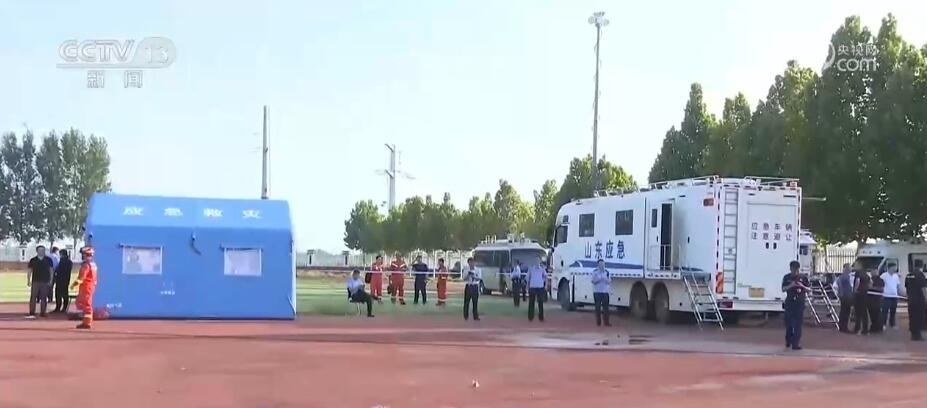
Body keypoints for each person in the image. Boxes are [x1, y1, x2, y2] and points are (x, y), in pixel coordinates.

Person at [781, 260, 810, 350]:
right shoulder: (787, 277)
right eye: (793, 269)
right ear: (790, 269)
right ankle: (788, 340)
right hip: (790, 303)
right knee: (789, 324)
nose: (795, 272)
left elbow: (809, 289)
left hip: (799, 303)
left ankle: (795, 343)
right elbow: (783, 289)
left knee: (798, 325)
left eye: (796, 270)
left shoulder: (803, 277)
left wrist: (802, 286)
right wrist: (791, 285)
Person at [71, 246, 98, 329]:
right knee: (83, 302)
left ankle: (87, 322)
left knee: (86, 304)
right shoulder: (93, 264)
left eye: (83, 254)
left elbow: (82, 277)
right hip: (90, 285)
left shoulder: (86, 265)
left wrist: (74, 284)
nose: (82, 256)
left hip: (86, 286)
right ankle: (86, 321)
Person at [26, 246, 55, 318]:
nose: (41, 251)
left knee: (44, 297)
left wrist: (51, 280)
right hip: (35, 281)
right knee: (33, 297)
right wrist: (28, 280)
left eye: (43, 250)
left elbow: (51, 271)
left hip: (45, 281)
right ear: (37, 251)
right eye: (40, 250)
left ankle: (43, 312)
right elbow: (29, 271)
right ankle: (32, 312)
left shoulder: (48, 260)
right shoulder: (33, 260)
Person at [905, 260, 927, 341]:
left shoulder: (909, 275)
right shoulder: (920, 275)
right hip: (919, 300)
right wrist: (926, 299)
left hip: (911, 300)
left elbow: (907, 288)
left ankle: (913, 334)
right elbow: (923, 288)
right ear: (922, 266)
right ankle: (917, 335)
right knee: (919, 317)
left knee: (912, 317)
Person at [591, 259, 612, 327]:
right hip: (597, 292)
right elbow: (593, 281)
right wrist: (599, 279)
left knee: (606, 308)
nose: (602, 265)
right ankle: (598, 322)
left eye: (603, 264)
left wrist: (606, 279)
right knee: (598, 307)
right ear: (598, 265)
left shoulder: (607, 272)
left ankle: (606, 322)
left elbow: (609, 281)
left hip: (605, 292)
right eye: (600, 264)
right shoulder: (595, 272)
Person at [879, 264, 901, 330]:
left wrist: (898, 294)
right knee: (885, 311)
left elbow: (898, 286)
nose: (895, 269)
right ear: (889, 268)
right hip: (886, 296)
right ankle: (883, 324)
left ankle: (892, 324)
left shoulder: (896, 276)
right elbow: (880, 285)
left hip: (894, 296)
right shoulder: (883, 275)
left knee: (893, 311)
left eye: (895, 268)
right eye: (894, 267)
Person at [852, 263, 872, 335]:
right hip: (865, 294)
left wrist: (855, 290)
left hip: (859, 294)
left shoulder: (858, 273)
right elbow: (870, 283)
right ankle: (865, 329)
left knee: (858, 312)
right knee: (864, 312)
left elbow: (857, 281)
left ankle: (857, 329)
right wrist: (866, 289)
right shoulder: (866, 274)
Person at [52, 249, 74, 313]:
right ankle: (64, 308)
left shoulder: (61, 261)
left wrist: (55, 273)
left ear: (61, 254)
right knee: (65, 294)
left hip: (60, 279)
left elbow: (58, 270)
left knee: (58, 294)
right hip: (66, 279)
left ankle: (58, 307)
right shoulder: (70, 262)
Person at [526, 257, 547, 322]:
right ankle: (530, 317)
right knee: (531, 302)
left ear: (540, 261)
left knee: (540, 302)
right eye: (536, 260)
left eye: (538, 260)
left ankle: (541, 317)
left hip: (540, 287)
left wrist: (545, 284)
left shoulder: (542, 269)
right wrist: (527, 286)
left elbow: (545, 276)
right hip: (532, 287)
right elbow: (528, 278)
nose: (537, 261)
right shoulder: (531, 268)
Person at [835, 263, 855, 333]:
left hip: (846, 295)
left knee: (844, 311)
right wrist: (841, 293)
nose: (851, 269)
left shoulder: (844, 276)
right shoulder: (845, 277)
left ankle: (842, 326)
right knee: (845, 311)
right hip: (846, 296)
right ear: (847, 269)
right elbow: (839, 284)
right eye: (850, 268)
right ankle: (844, 326)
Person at [867, 269, 885, 334]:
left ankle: (878, 327)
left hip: (877, 300)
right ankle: (874, 327)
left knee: (877, 314)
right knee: (872, 314)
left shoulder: (880, 280)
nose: (872, 273)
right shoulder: (869, 279)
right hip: (870, 300)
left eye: (873, 272)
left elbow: (881, 289)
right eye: (871, 272)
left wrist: (871, 288)